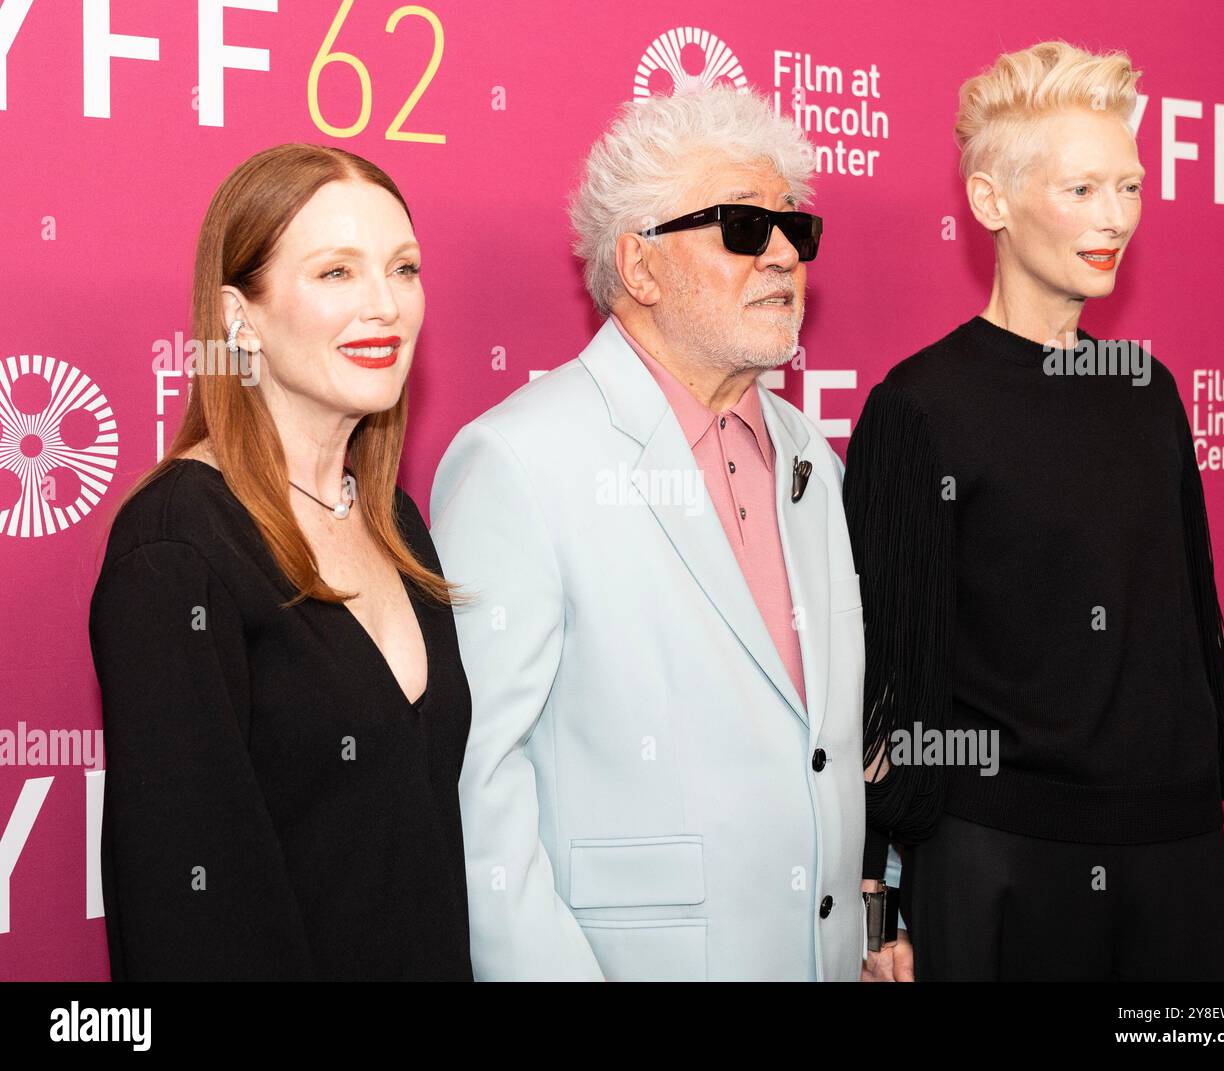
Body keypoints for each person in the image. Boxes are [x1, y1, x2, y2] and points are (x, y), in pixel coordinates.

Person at [430, 85, 895, 981]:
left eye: (794, 231)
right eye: (742, 229)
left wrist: (870, 927)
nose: (782, 258)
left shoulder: (814, 458)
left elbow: (829, 746)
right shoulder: (520, 460)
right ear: (638, 267)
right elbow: (476, 788)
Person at [843, 41, 1224, 981]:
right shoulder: (919, 407)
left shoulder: (1147, 388)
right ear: (992, 201)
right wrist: (882, 906)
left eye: (1129, 188)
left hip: (1178, 862)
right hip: (1001, 868)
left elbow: (1196, 621)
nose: (1114, 218)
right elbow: (887, 686)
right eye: (1080, 191)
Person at [88, 143, 473, 980]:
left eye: (403, 268)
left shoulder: (396, 522)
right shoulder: (175, 548)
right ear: (239, 317)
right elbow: (188, 917)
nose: (385, 306)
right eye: (337, 273)